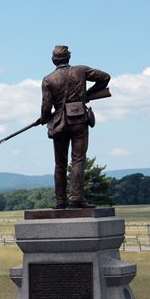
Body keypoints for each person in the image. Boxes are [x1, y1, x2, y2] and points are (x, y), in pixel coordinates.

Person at [38, 45, 110, 209]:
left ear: (53, 60)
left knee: (60, 164)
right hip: (79, 120)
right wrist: (87, 95)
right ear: (68, 58)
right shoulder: (81, 70)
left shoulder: (48, 79)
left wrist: (44, 119)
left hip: (59, 124)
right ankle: (76, 198)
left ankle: (61, 201)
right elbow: (105, 77)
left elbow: (45, 107)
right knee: (78, 160)